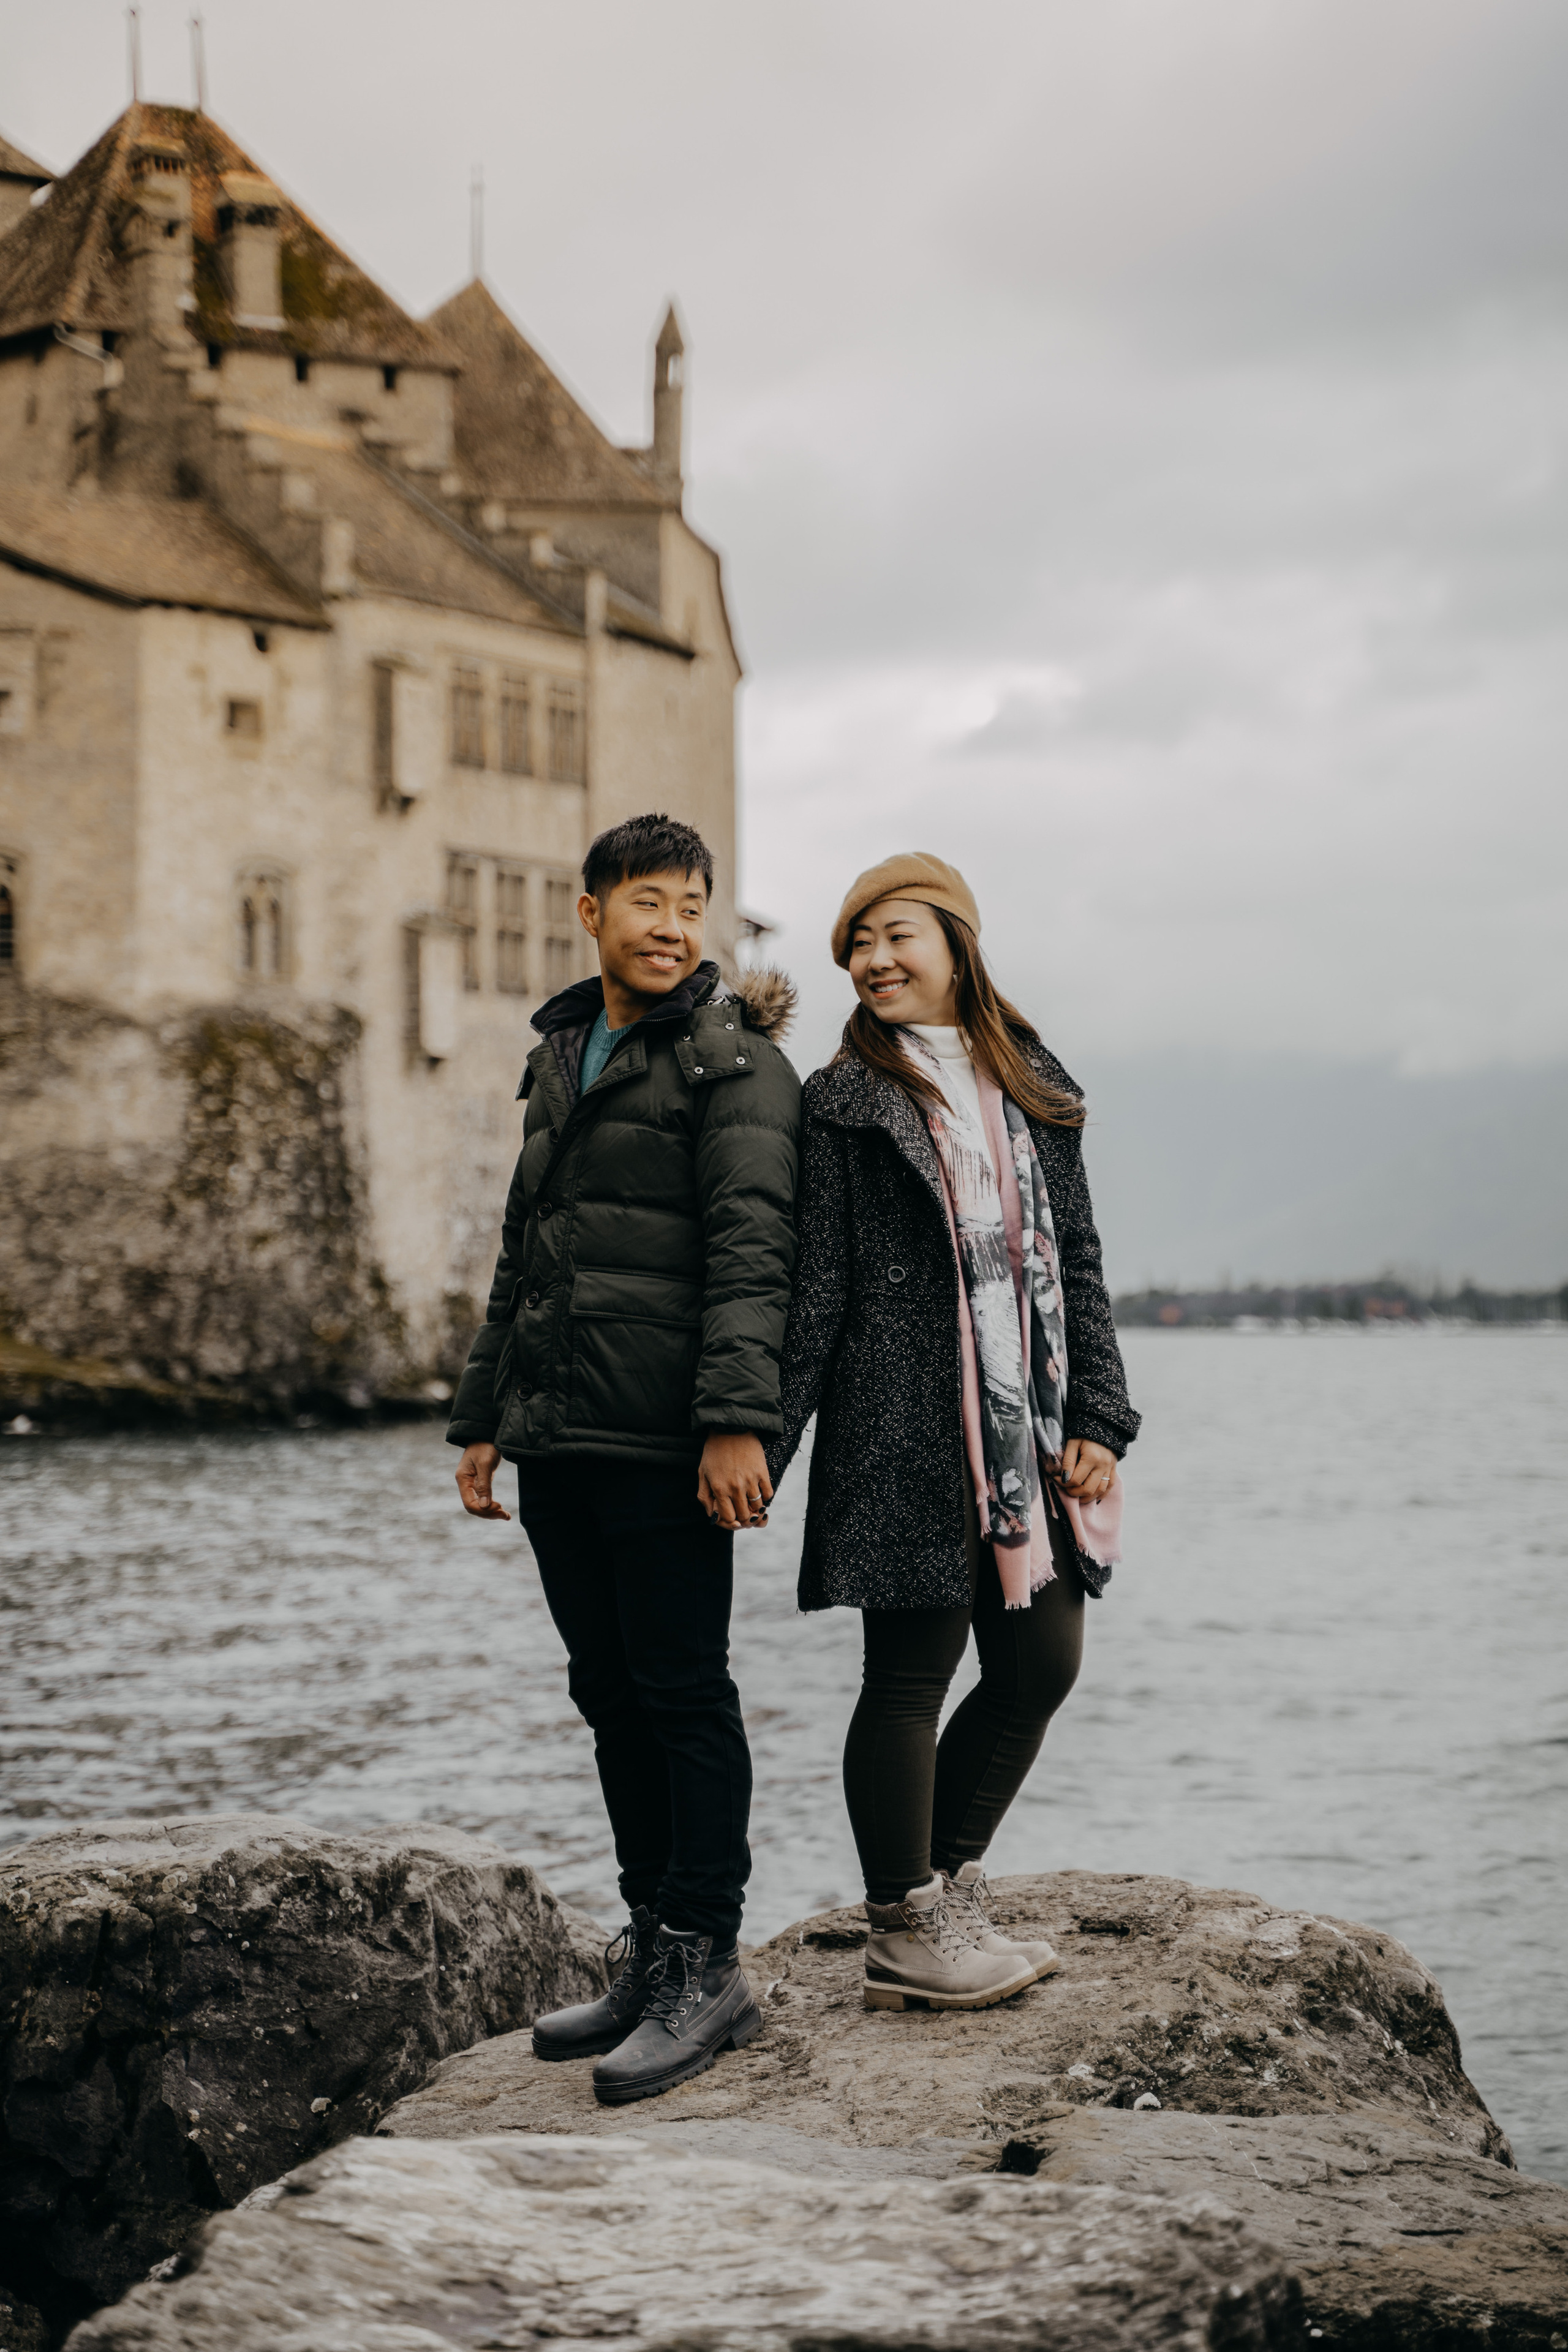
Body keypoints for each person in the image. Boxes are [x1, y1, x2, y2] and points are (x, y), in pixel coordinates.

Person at [448, 813, 801, 2103]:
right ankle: (651, 1950)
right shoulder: (558, 1051)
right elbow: (522, 1249)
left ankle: (709, 1965)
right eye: (646, 901)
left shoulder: (735, 1062)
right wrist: (483, 1416)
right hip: (560, 1433)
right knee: (605, 1690)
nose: (670, 925)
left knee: (681, 1690)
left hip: (666, 1437)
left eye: (690, 904)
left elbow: (754, 1257)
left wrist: (732, 1424)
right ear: (588, 911)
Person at [771, 853, 1139, 2013]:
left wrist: (1101, 1419)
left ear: (957, 943)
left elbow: (1075, 1260)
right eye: (857, 947)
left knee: (1042, 1663)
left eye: (896, 936)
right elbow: (815, 1291)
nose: (874, 961)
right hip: (902, 1431)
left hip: (1028, 1434)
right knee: (909, 1676)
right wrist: (758, 1445)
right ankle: (902, 1925)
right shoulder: (839, 1101)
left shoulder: (1035, 1083)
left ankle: (945, 1888)